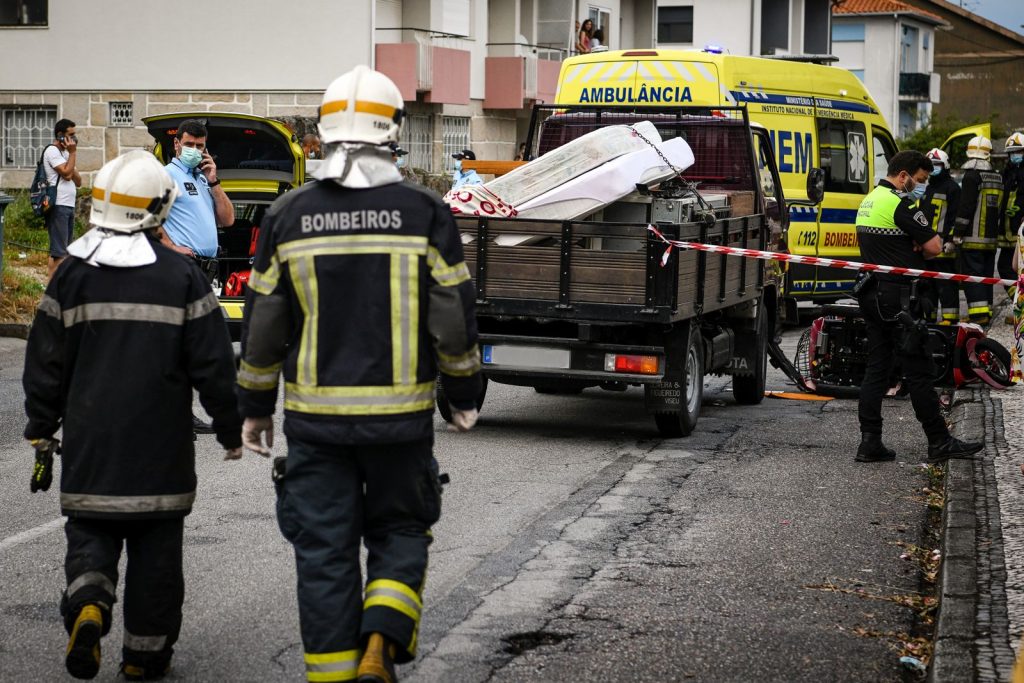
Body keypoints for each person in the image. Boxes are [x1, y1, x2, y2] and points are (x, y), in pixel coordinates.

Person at [237, 65, 482, 683]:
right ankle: (384, 634)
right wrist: (462, 393)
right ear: (392, 131)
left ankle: (334, 673)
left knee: (323, 552)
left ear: (322, 133)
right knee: (401, 527)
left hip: (317, 425)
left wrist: (256, 407)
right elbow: (452, 318)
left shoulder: (287, 216)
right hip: (399, 422)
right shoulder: (425, 212)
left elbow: (264, 323)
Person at [22, 151, 243, 681]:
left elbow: (44, 361)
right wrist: (232, 428)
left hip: (91, 446)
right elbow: (213, 363)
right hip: (161, 451)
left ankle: (91, 603)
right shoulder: (182, 278)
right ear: (158, 208)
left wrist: (40, 429)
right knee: (155, 557)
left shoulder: (71, 274)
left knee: (91, 535)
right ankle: (143, 659)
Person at [852, 150, 983, 464]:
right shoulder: (900, 204)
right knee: (919, 370)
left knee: (877, 369)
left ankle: (870, 442)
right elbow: (935, 247)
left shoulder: (868, 201)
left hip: (871, 293)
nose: (920, 186)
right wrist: (919, 244)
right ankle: (939, 441)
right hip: (899, 301)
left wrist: (914, 243)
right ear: (903, 176)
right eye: (920, 180)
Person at [161, 118, 235, 434]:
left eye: (200, 146)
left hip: (204, 270)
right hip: (180, 269)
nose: (194, 150)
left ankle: (183, 412)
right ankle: (173, 414)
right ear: (176, 144)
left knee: (191, 344)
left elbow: (228, 219)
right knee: (176, 344)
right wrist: (172, 248)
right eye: (189, 144)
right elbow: (150, 219)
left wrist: (215, 181)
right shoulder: (166, 176)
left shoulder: (202, 179)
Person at [953, 135, 1004, 325]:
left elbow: (966, 206)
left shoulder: (971, 176)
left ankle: (978, 316)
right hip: (990, 238)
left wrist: (958, 232)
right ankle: (987, 311)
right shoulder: (997, 176)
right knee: (986, 275)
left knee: (972, 276)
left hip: (972, 237)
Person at [920, 148, 961, 324]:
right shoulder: (927, 188)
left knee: (946, 285)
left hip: (945, 246)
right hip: (928, 247)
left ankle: (949, 318)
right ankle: (929, 317)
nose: (933, 169)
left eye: (937, 165)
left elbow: (955, 216)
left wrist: (952, 240)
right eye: (931, 166)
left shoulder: (952, 188)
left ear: (945, 166)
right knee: (928, 285)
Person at [43, 118, 82, 279]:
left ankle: (56, 289)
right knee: (59, 254)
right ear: (60, 135)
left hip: (68, 205)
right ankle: (53, 292)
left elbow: (79, 181)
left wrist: (70, 157)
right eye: (70, 135)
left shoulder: (65, 153)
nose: (74, 138)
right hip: (58, 205)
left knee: (64, 251)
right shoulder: (52, 151)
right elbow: (67, 175)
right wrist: (72, 154)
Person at [999, 132, 1024, 322]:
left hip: (1021, 231)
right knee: (1006, 268)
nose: (1014, 155)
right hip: (1008, 232)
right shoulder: (1007, 173)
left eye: (1018, 151)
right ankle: (1020, 305)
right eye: (1012, 152)